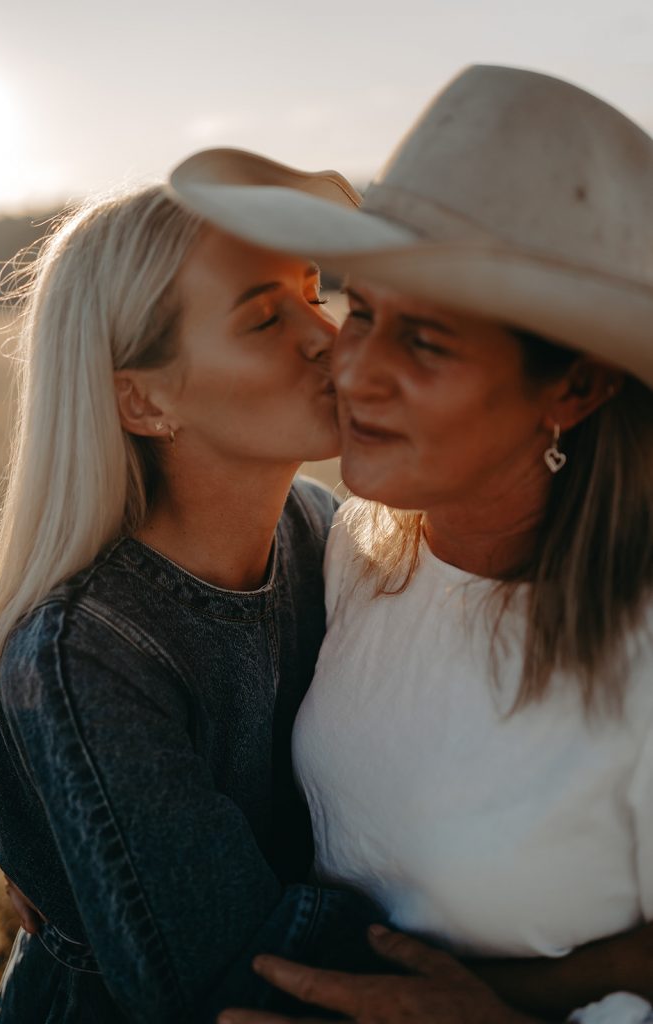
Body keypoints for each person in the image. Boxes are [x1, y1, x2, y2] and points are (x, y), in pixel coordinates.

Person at [169, 66, 653, 1024]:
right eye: (365, 313)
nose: (357, 371)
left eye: (425, 340)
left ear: (576, 389)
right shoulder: (354, 550)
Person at [0, 175, 388, 1023]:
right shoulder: (84, 653)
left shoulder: (320, 527)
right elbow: (230, 982)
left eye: (316, 293)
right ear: (145, 398)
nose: (328, 338)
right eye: (267, 318)